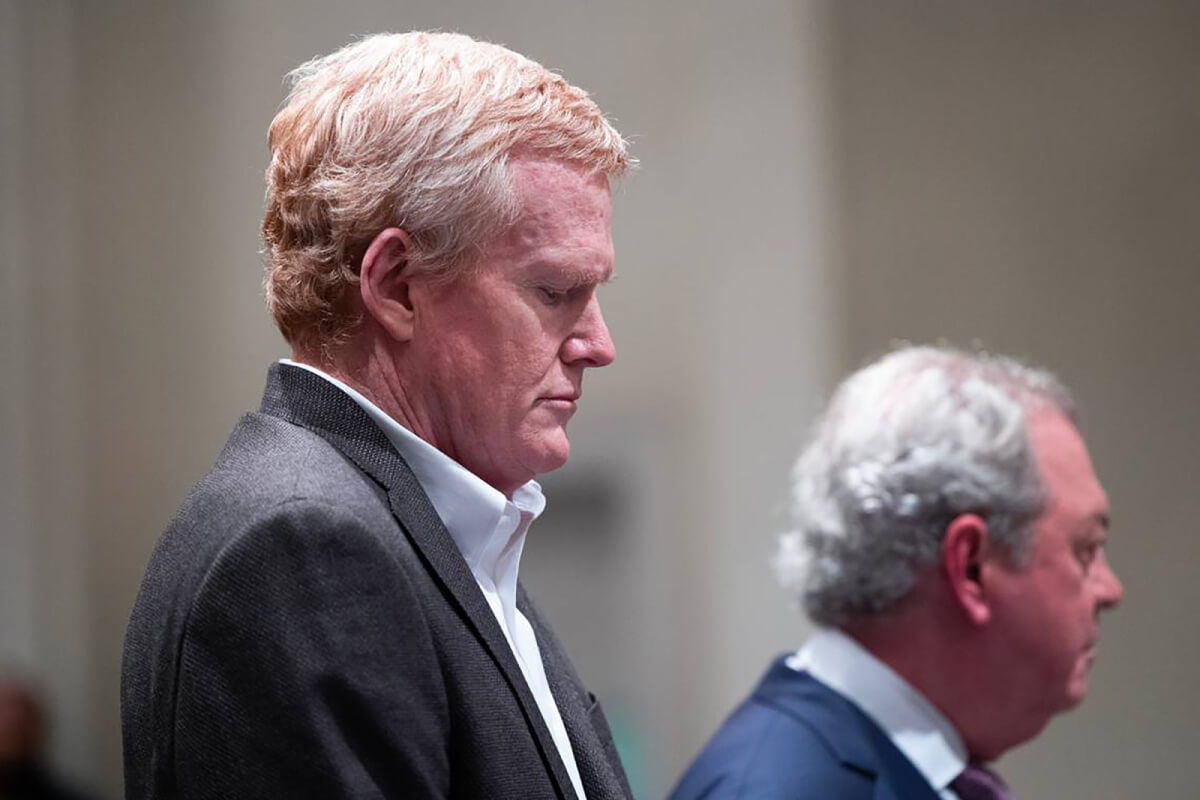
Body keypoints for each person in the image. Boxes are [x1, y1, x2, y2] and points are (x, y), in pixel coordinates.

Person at [121, 32, 633, 800]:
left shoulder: (437, 529)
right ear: (395, 286)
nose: (599, 345)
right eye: (555, 293)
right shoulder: (305, 546)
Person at [671, 345, 1123, 799]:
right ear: (970, 568)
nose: (1111, 590)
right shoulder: (779, 790)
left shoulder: (876, 765)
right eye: (1086, 549)